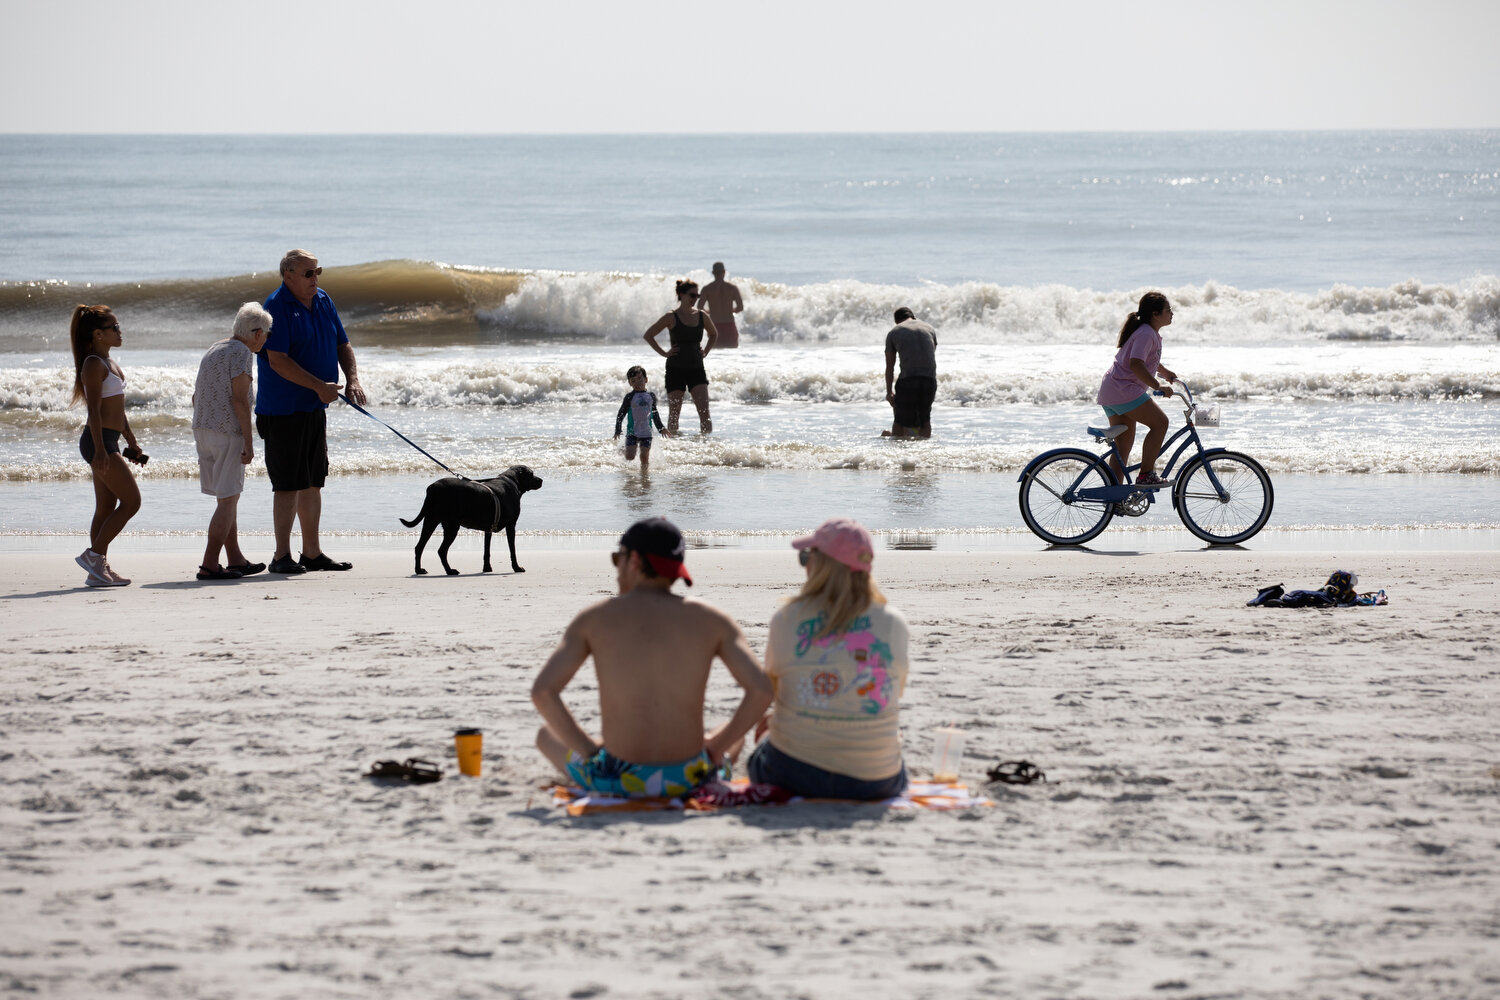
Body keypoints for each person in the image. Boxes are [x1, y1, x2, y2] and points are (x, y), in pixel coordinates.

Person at [532, 517, 772, 798]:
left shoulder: (594, 618)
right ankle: (715, 748)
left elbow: (543, 692)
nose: (615, 569)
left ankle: (600, 754)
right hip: (689, 778)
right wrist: (717, 747)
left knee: (545, 735)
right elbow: (761, 690)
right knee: (733, 736)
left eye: (616, 558)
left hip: (617, 777)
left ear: (633, 560)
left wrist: (591, 752)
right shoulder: (712, 619)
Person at [746, 517, 910, 799]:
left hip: (793, 774)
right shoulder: (894, 623)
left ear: (821, 565)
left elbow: (773, 690)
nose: (805, 562)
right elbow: (893, 691)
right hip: (874, 780)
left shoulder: (787, 619)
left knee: (763, 743)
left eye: (807, 556)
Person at [257, 249, 365, 575]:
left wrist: (353, 379)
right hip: (282, 410)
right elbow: (277, 360)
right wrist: (319, 385)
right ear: (287, 274)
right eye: (308, 274)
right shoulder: (275, 307)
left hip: (314, 408)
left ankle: (312, 553)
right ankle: (280, 556)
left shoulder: (322, 299)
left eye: (318, 271)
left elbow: (342, 344)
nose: (315, 278)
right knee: (287, 485)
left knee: (313, 483)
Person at [191, 303, 272, 580]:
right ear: (257, 333)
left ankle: (235, 559)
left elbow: (195, 395)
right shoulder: (242, 352)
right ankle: (209, 564)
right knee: (228, 501)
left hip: (202, 429)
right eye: (267, 334)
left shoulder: (216, 348)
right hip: (226, 433)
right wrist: (249, 442)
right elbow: (240, 400)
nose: (266, 339)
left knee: (226, 499)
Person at [69, 305, 145, 587]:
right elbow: (95, 412)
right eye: (114, 327)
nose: (119, 331)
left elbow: (118, 409)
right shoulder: (92, 364)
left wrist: (131, 440)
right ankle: (94, 555)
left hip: (109, 439)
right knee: (132, 502)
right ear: (98, 334)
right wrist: (101, 450)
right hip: (97, 441)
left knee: (105, 507)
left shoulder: (110, 363)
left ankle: (97, 570)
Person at [1097, 291, 1179, 487]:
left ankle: (1114, 496)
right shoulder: (1146, 333)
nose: (1172, 314)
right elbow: (1136, 364)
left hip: (1112, 391)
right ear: (1155, 314)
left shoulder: (1148, 333)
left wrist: (1165, 372)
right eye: (1168, 310)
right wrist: (1158, 385)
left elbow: (1147, 359)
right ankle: (1146, 475)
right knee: (1160, 424)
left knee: (1123, 447)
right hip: (1124, 390)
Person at [643, 279, 718, 435]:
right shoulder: (671, 317)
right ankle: (674, 449)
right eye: (692, 295)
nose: (695, 298)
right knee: (674, 415)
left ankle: (706, 448)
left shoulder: (702, 315)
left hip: (696, 368)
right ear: (681, 294)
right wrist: (664, 353)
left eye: (697, 295)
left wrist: (706, 351)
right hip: (675, 370)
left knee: (705, 414)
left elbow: (713, 334)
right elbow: (649, 335)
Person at [883, 306, 938, 438]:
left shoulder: (894, 332)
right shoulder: (929, 329)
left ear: (897, 321)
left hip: (908, 380)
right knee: (925, 421)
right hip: (929, 380)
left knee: (899, 421)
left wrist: (889, 391)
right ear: (913, 316)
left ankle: (897, 453)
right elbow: (928, 355)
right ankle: (924, 452)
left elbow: (890, 366)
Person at [613, 364, 669, 472]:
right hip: (632, 432)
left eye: (640, 379)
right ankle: (624, 450)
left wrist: (661, 428)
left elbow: (655, 413)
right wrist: (618, 429)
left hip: (646, 433)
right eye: (633, 381)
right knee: (630, 457)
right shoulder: (629, 397)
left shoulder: (651, 396)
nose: (637, 383)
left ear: (646, 379)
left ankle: (644, 475)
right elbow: (621, 414)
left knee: (644, 456)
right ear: (629, 383)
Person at [696, 262, 744, 349]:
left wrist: (710, 311)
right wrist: (730, 310)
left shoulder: (707, 289)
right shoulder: (732, 288)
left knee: (716, 356)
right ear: (724, 272)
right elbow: (740, 307)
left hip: (714, 326)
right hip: (729, 324)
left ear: (713, 273)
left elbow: (699, 308)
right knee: (732, 355)